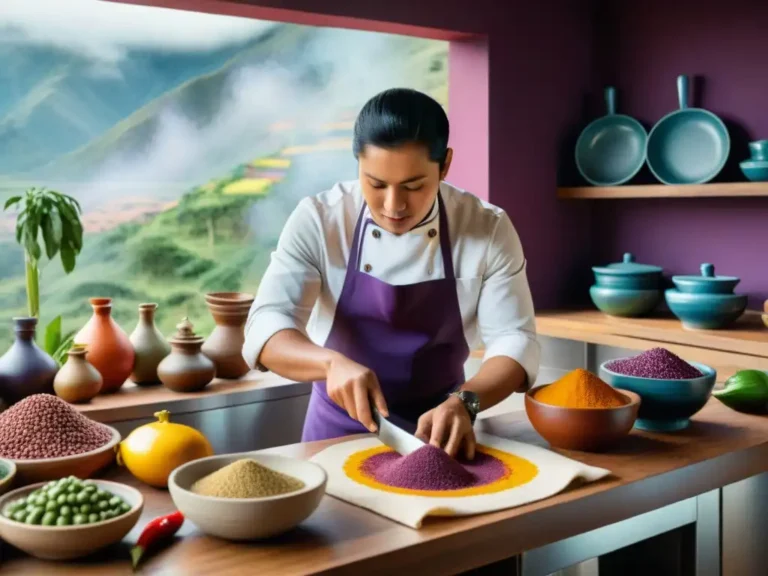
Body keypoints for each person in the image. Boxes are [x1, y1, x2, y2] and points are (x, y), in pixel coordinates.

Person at [242, 87, 539, 459]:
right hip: (334, 434)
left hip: (442, 435)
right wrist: (329, 363)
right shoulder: (320, 219)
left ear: (445, 165)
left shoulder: (487, 228)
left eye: (414, 186)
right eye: (376, 184)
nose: (393, 206)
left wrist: (467, 402)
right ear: (357, 164)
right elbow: (267, 326)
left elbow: (515, 339)